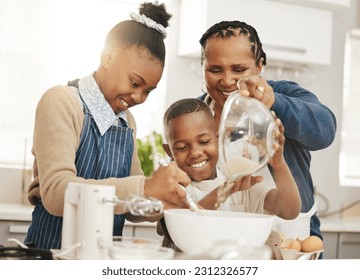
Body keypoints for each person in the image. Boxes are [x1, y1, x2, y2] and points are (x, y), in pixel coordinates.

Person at [24, 2, 190, 250]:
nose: (138, 98)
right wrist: (146, 187)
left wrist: (161, 200)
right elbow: (57, 194)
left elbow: (132, 206)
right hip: (52, 255)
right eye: (135, 83)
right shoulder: (62, 101)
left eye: (148, 91)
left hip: (102, 260)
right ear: (107, 56)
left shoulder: (126, 121)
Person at [198, 20, 337, 241]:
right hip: (220, 240)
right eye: (215, 69)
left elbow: (325, 131)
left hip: (289, 238)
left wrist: (275, 102)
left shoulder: (285, 94)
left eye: (239, 69)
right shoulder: (195, 113)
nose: (227, 80)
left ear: (259, 65)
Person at [157, 97, 301, 250]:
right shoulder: (170, 187)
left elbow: (289, 211)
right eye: (181, 147)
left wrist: (279, 164)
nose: (195, 152)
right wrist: (225, 191)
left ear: (218, 140)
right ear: (169, 151)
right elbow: (183, 225)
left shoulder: (239, 179)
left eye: (205, 141)